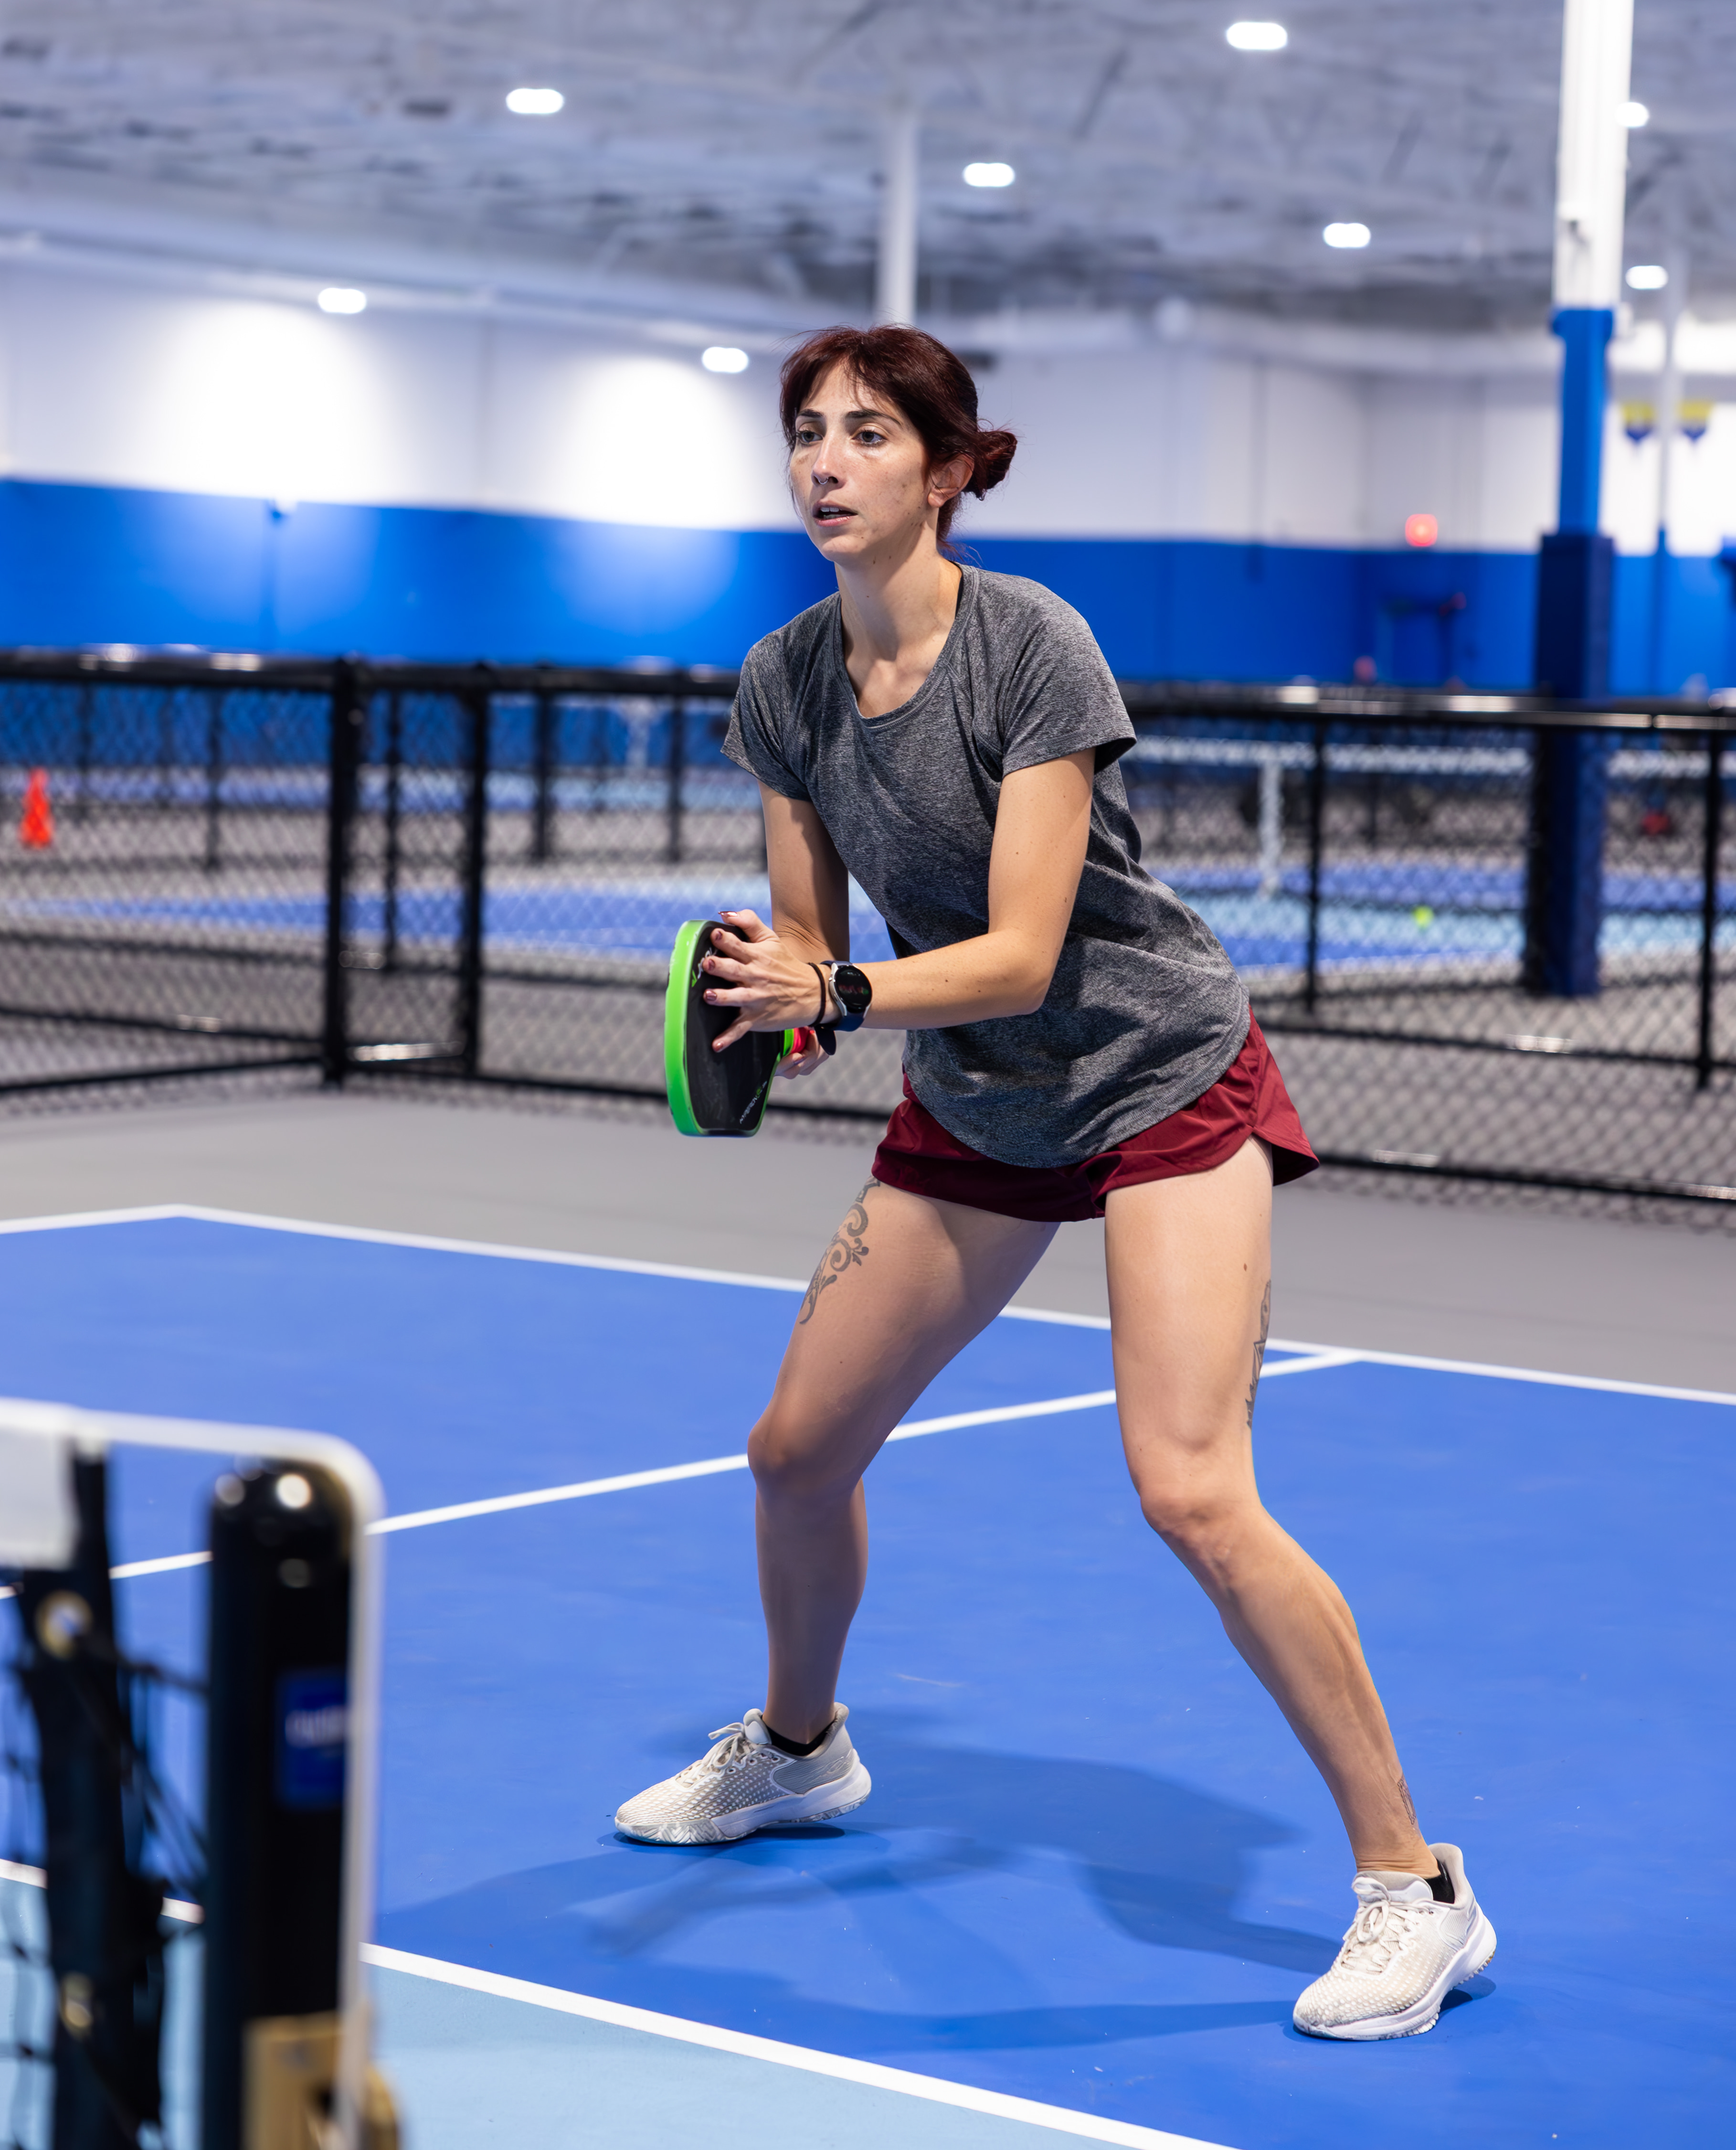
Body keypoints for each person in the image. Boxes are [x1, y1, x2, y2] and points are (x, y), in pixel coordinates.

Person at [614, 325, 1495, 2042]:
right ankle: (799, 1751)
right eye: (805, 432)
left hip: (1155, 1076)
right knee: (796, 1450)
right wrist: (767, 983)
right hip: (977, 1107)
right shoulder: (783, 678)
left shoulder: (1029, 645)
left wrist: (844, 997)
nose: (824, 460)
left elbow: (1017, 952)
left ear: (944, 471)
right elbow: (809, 933)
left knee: (1189, 1487)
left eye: (867, 433)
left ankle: (1418, 1884)